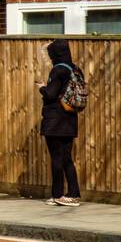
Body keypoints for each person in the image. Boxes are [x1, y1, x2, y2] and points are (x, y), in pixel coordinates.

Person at [38, 38, 82, 207]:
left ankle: (59, 194)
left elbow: (50, 94)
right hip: (70, 119)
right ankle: (72, 193)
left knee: (56, 158)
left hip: (55, 121)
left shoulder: (57, 70)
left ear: (55, 54)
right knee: (66, 158)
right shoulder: (75, 69)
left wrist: (42, 87)